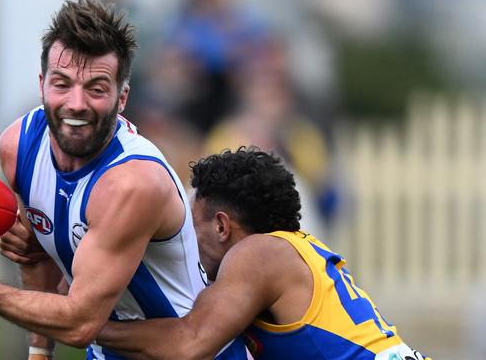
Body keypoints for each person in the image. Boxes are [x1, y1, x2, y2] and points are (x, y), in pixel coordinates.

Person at [0, 0, 247, 360]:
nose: (76, 103)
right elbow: (35, 256)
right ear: (42, 84)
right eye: (62, 84)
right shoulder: (18, 146)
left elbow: (81, 322)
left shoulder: (133, 183)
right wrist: (39, 352)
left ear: (122, 98)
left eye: (96, 88)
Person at [97, 147, 431, 360]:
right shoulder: (297, 248)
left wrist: (93, 326)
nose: (187, 240)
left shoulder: (257, 254)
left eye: (191, 226)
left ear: (222, 226)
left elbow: (189, 345)